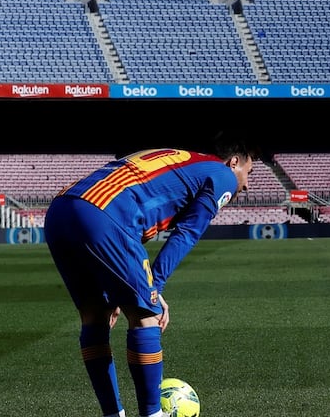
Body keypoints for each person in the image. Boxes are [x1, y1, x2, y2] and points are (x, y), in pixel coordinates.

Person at [44, 136, 257, 417]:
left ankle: (112, 413)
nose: (246, 184)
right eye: (248, 173)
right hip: (107, 213)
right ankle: (152, 414)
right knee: (147, 314)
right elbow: (188, 232)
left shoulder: (179, 157)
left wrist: (127, 285)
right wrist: (153, 288)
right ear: (234, 162)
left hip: (61, 210)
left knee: (95, 316)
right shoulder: (221, 174)